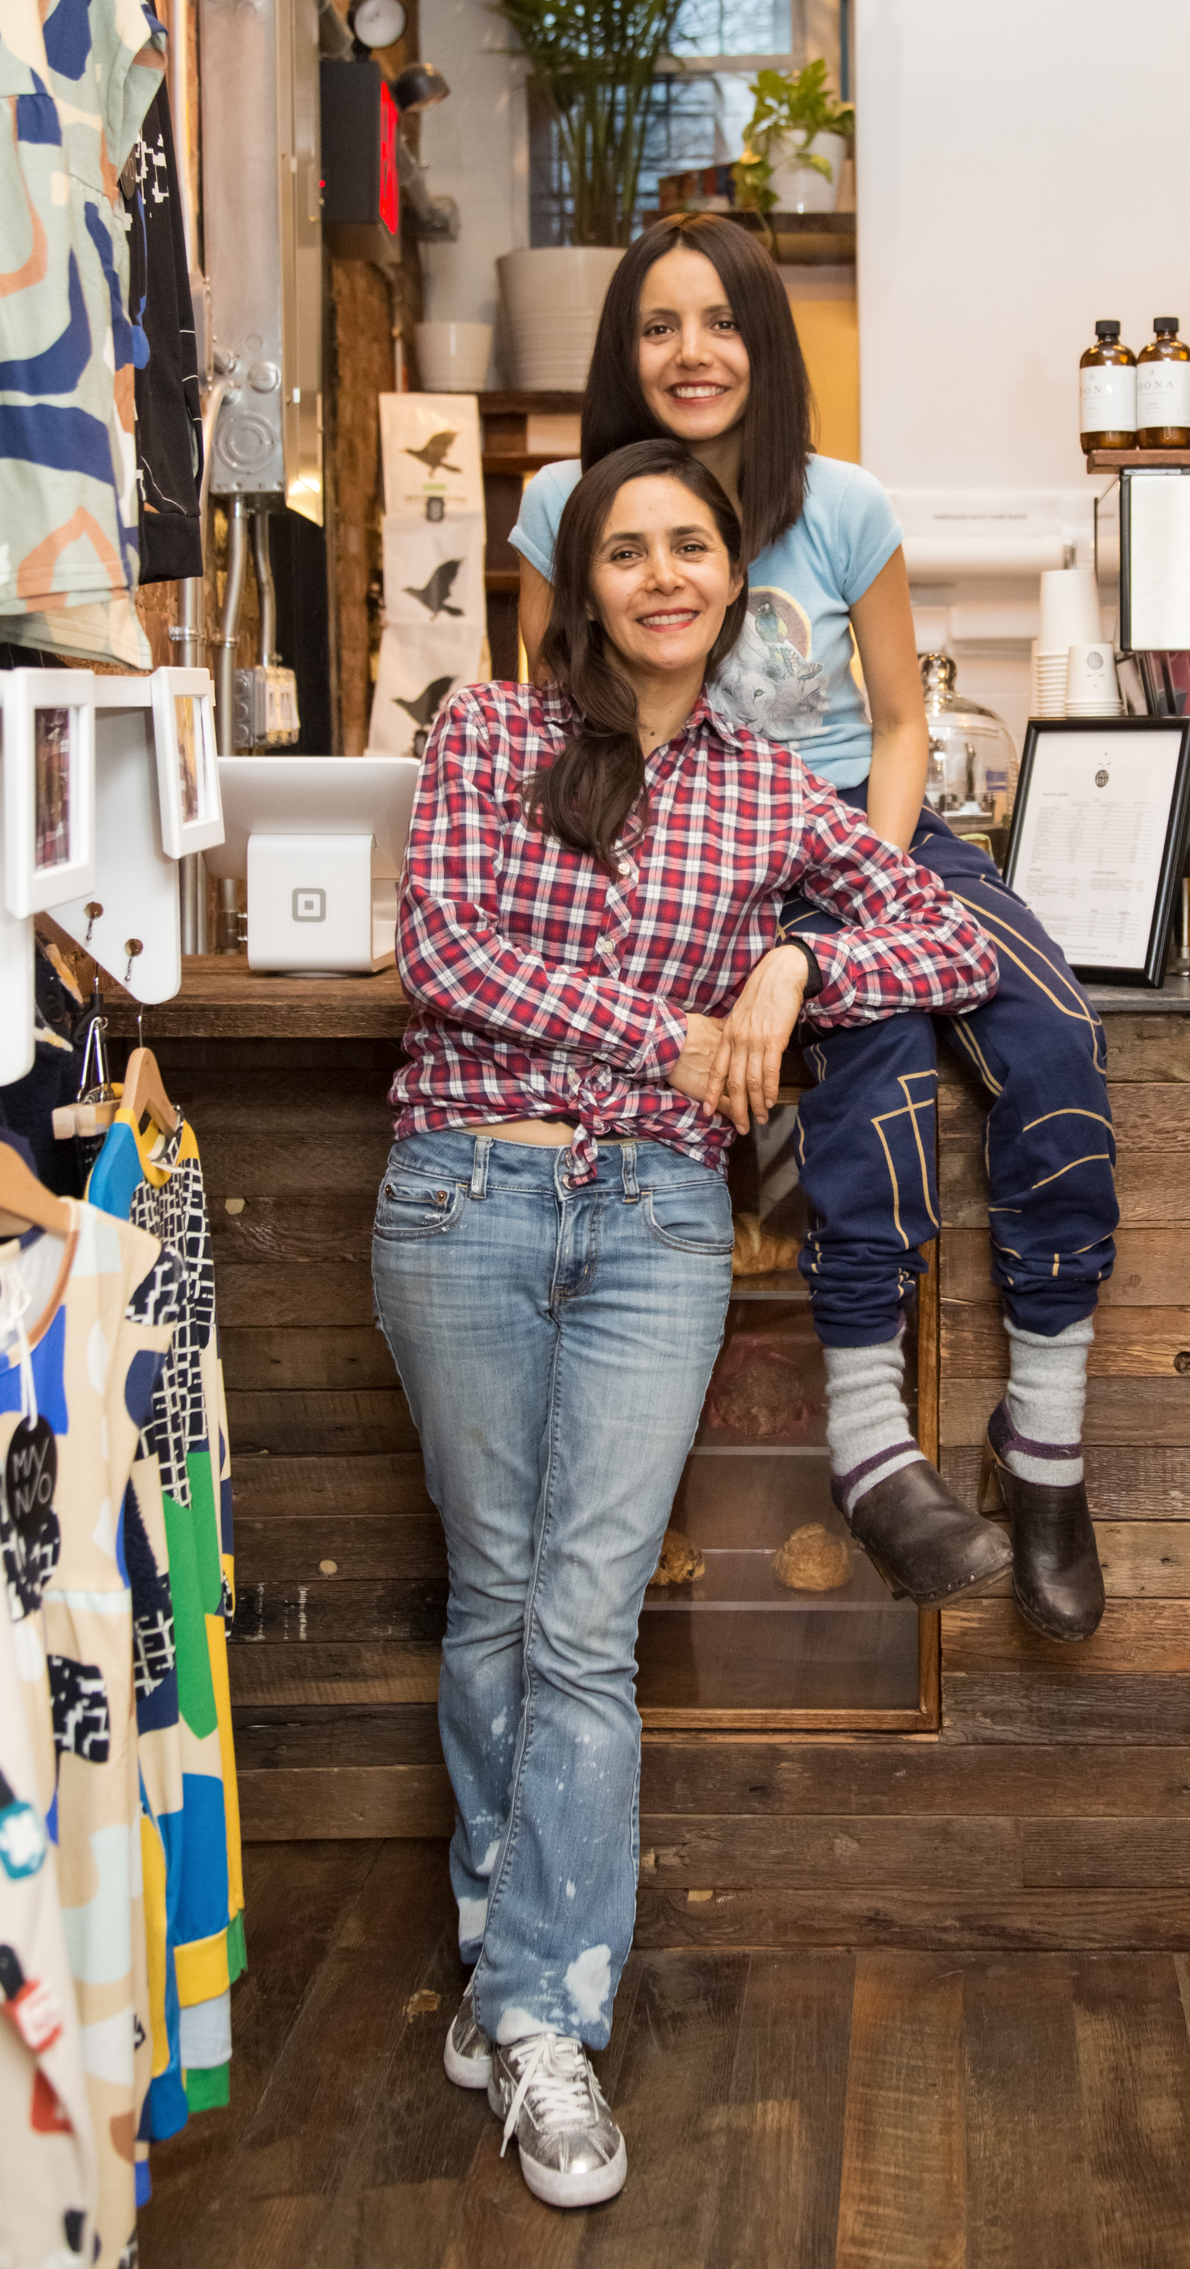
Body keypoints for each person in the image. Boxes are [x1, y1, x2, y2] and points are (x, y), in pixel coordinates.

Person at [377, 437, 998, 2213]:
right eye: (626, 550)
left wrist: (791, 967)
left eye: (692, 549)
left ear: (738, 578)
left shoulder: (768, 791)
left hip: (658, 1223)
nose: (663, 575)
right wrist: (669, 1038)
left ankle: (547, 2016)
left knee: (578, 1616)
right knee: (495, 1593)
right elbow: (448, 958)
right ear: (583, 584)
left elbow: (945, 941)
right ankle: (512, 1969)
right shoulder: (492, 735)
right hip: (461, 1198)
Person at [515, 214, 1117, 1641]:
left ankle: (1045, 1447)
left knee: (1055, 1037)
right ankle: (869, 1434)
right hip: (690, 849)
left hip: (864, 815)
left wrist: (870, 873)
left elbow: (905, 722)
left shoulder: (841, 501)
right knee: (879, 1066)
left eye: (720, 321)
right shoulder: (562, 502)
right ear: (623, 352)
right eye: (658, 326)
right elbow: (546, 726)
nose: (691, 352)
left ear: (765, 343)